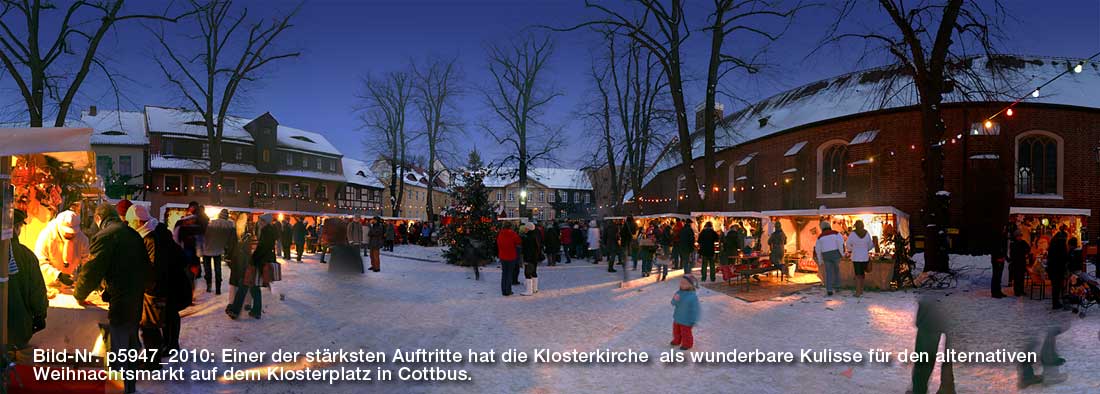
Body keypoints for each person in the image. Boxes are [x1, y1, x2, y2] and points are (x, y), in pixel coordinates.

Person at [74, 204, 150, 394]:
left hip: (121, 301)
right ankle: (130, 387)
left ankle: (118, 389)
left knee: (118, 347)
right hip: (135, 298)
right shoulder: (133, 234)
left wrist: (79, 293)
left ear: (99, 218)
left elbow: (92, 270)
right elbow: (143, 268)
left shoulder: (105, 236)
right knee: (131, 343)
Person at [128, 204, 191, 362]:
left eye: (131, 222)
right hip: (171, 280)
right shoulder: (157, 229)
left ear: (138, 222)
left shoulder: (150, 236)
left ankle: (166, 348)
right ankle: (170, 345)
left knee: (158, 320)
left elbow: (154, 267)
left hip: (166, 283)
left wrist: (148, 287)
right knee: (169, 315)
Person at [7, 209, 48, 349]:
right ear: (16, 227)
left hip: (15, 326)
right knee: (14, 367)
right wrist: (40, 315)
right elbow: (37, 291)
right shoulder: (26, 255)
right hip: (17, 327)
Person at [227, 213, 275, 319]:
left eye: (262, 221)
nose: (260, 223)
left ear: (266, 222)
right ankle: (256, 311)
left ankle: (235, 311)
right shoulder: (268, 231)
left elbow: (262, 249)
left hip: (258, 263)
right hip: (260, 263)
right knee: (254, 287)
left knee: (244, 284)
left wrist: (252, 259)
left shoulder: (267, 232)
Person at [34, 209, 89, 287]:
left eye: (73, 233)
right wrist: (58, 275)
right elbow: (39, 261)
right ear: (60, 227)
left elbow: (87, 261)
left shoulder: (82, 239)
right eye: (67, 232)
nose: (70, 235)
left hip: (71, 283)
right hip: (49, 283)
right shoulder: (46, 236)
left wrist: (85, 277)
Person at [201, 209, 235, 294]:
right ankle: (218, 289)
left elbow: (204, 235)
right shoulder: (229, 225)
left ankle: (209, 286)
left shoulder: (211, 223)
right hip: (218, 250)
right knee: (218, 269)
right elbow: (231, 239)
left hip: (207, 249)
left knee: (208, 269)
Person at [814, 221, 845, 297]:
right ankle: (837, 286)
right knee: (836, 270)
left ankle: (829, 290)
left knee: (828, 272)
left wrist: (820, 259)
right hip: (835, 253)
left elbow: (818, 249)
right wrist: (842, 253)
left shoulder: (820, 237)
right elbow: (840, 244)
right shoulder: (836, 233)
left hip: (826, 255)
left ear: (822, 228)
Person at [670, 275, 700, 351]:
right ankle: (677, 340)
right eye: (681, 282)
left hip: (687, 320)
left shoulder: (692, 296)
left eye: (684, 283)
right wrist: (675, 299)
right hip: (677, 317)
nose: (682, 284)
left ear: (691, 285)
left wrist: (693, 319)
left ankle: (687, 344)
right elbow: (673, 303)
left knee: (685, 333)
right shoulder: (678, 293)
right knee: (676, 331)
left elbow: (695, 309)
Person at [846, 220, 875, 297]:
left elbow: (848, 244)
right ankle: (861, 290)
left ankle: (858, 292)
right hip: (864, 256)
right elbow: (870, 245)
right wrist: (865, 249)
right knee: (862, 274)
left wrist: (853, 249)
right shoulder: (867, 233)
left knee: (858, 274)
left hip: (856, 256)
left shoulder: (852, 234)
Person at [496, 223, 522, 296]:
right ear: (510, 227)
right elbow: (519, 242)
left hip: (502, 256)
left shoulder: (500, 234)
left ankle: (503, 290)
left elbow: (498, 243)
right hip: (511, 256)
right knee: (509, 273)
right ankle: (508, 290)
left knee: (504, 273)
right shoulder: (513, 234)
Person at [1048, 225, 1068, 310]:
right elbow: (1063, 256)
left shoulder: (1053, 242)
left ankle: (1055, 302)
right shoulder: (1061, 243)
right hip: (1058, 268)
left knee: (1055, 286)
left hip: (1052, 267)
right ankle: (1056, 303)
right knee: (1057, 286)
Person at [520, 223, 541, 296]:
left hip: (530, 258)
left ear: (529, 229)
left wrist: (526, 260)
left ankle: (529, 291)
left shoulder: (528, 237)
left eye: (526, 228)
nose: (524, 229)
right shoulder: (535, 235)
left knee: (527, 273)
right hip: (535, 257)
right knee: (534, 272)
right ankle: (535, 288)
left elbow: (528, 250)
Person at [1009, 230, 1031, 297]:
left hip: (1022, 262)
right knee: (1016, 278)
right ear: (1016, 237)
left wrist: (1026, 253)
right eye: (1018, 236)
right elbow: (1012, 253)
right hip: (1016, 263)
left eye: (1020, 236)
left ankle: (1021, 290)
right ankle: (1017, 291)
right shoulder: (1013, 243)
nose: (1020, 237)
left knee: (1021, 277)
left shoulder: (1023, 242)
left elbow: (1028, 248)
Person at [990, 224, 1009, 298]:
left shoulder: (1003, 237)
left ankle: (998, 291)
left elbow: (1004, 249)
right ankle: (995, 292)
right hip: (997, 259)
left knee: (999, 276)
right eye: (1003, 228)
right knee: (996, 276)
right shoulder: (996, 238)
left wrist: (1005, 257)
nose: (1004, 229)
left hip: (1001, 259)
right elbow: (994, 249)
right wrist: (997, 258)